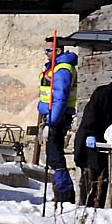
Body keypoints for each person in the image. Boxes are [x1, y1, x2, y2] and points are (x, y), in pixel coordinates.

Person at [73, 73, 112, 207]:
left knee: (102, 173)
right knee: (92, 172)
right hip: (90, 140)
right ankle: (88, 205)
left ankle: (97, 205)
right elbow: (91, 114)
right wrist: (90, 134)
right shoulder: (103, 94)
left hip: (102, 142)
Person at [37, 39, 78, 203]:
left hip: (58, 118)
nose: (45, 53)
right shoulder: (54, 68)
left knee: (55, 157)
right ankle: (61, 192)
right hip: (52, 116)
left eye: (48, 50)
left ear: (58, 51)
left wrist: (51, 123)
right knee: (52, 156)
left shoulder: (62, 69)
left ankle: (64, 194)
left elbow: (60, 98)